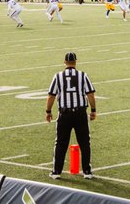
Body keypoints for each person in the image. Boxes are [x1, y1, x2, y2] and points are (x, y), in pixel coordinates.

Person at [45, 52, 97, 180]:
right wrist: (93, 110)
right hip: (80, 113)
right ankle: (87, 171)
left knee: (61, 143)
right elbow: (90, 94)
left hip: (65, 113)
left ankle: (57, 171)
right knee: (84, 143)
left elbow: (51, 95)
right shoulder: (82, 75)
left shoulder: (58, 76)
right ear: (76, 61)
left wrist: (48, 111)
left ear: (64, 62)